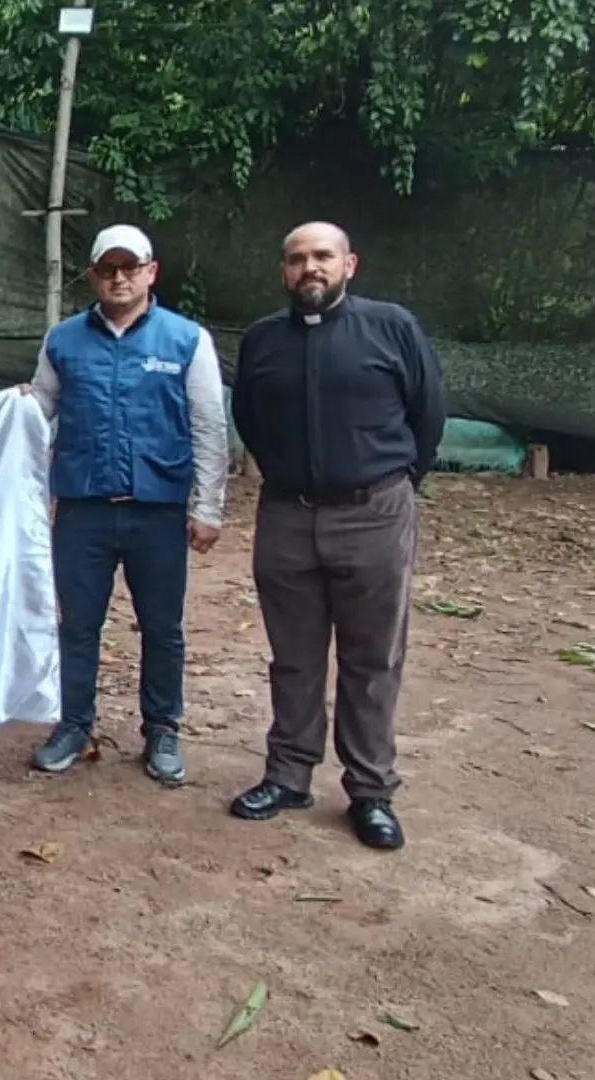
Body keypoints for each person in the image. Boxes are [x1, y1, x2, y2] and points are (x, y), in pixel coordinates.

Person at [228, 221, 445, 851]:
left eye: (322, 256)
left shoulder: (391, 327)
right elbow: (250, 418)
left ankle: (371, 790)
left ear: (349, 262)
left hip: (373, 512)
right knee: (292, 657)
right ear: (283, 271)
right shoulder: (264, 339)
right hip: (288, 516)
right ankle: (289, 774)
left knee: (372, 659)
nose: (309, 268)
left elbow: (427, 414)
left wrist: (397, 483)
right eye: (296, 259)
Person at [23, 224, 229, 784]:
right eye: (108, 269)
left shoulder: (186, 340)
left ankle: (162, 729)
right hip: (83, 510)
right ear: (92, 275)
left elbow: (209, 425)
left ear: (151, 272)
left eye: (129, 267)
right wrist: (17, 412)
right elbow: (40, 409)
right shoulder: (62, 340)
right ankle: (73, 724)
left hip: (156, 511)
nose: (119, 278)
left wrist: (207, 506)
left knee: (162, 626)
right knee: (76, 624)